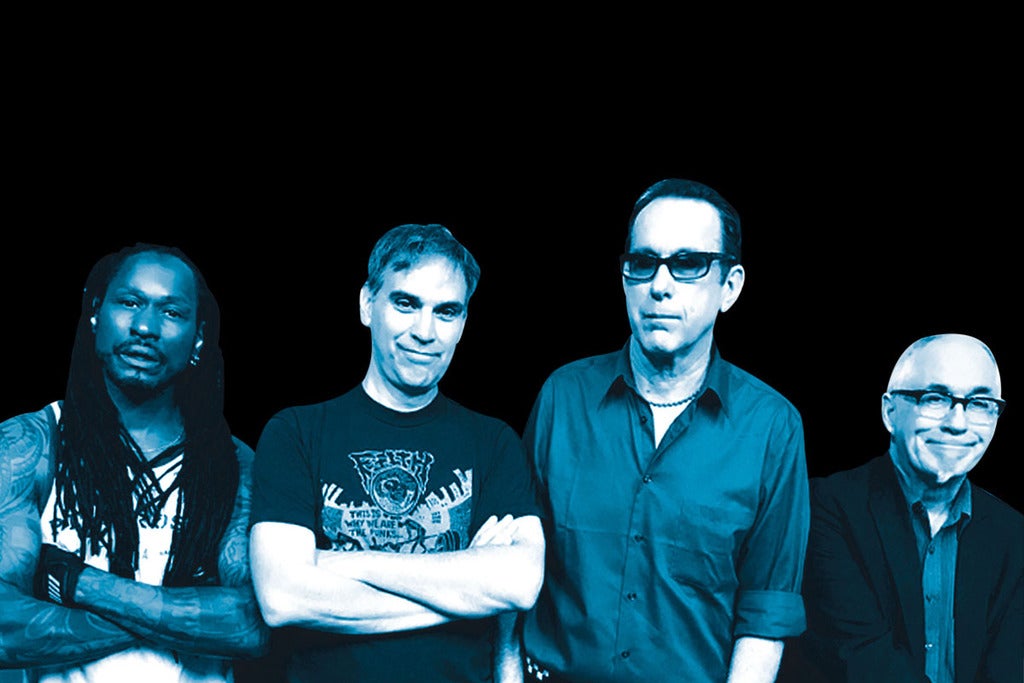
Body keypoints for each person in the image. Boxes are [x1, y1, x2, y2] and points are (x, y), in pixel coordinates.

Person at [519, 178, 810, 683]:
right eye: (643, 262)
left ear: (730, 286)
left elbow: (765, 612)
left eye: (688, 263)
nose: (660, 285)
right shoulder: (562, 397)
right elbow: (514, 567)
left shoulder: (772, 427)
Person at [248, 223, 546, 682]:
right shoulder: (296, 432)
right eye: (405, 303)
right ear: (367, 305)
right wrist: (466, 589)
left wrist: (336, 562)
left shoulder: (494, 442)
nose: (425, 332)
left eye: (446, 311)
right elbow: (282, 598)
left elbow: (520, 583)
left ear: (463, 323)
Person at [0, 243, 269, 681]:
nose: (145, 327)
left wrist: (76, 583)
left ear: (199, 337)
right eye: (129, 302)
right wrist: (185, 619)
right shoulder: (31, 444)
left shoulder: (236, 464)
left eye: (172, 312)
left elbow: (252, 624)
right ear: (95, 314)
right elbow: (3, 627)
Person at [782, 333, 1023, 682]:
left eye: (980, 403)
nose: (957, 423)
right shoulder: (825, 507)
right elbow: (862, 660)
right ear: (890, 412)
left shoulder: (1013, 534)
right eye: (935, 398)